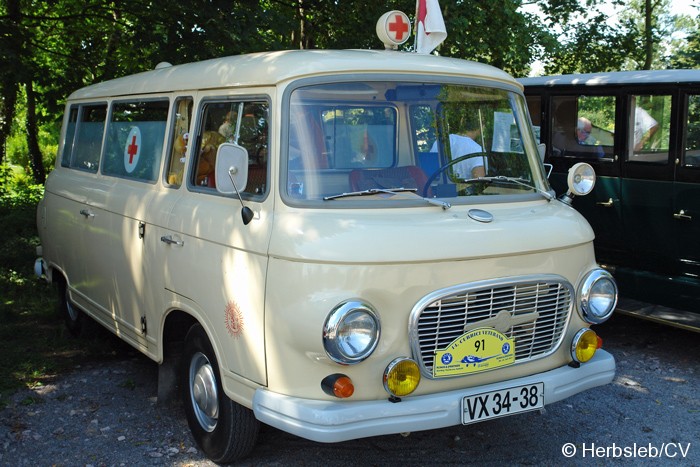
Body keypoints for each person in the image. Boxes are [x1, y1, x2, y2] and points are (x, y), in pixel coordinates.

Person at [431, 114, 486, 178]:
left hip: (437, 187)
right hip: (462, 188)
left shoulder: (441, 141)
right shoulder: (478, 150)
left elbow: (430, 169)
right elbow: (480, 182)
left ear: (462, 123)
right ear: (481, 128)